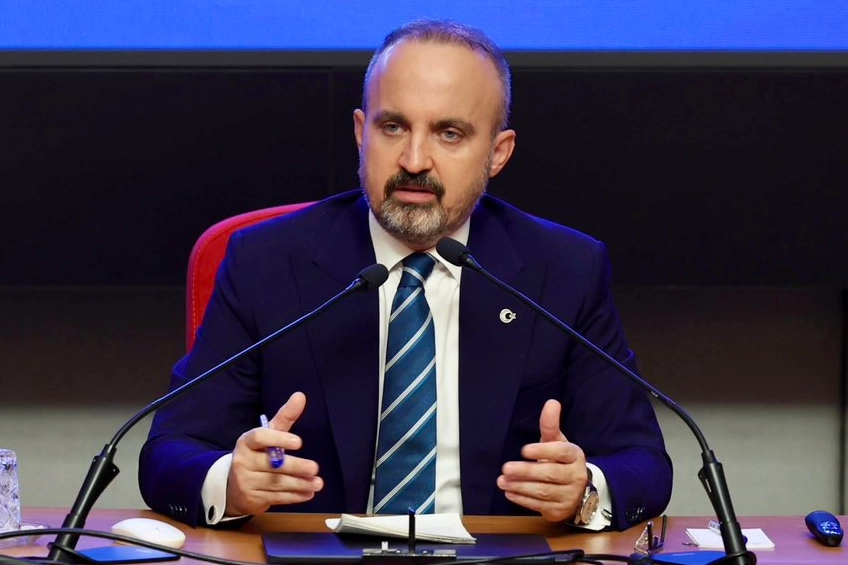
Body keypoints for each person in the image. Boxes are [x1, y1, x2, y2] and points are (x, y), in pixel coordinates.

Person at [139, 19, 672, 532]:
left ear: (497, 153)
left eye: (449, 133)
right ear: (360, 133)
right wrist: (231, 481)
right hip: (317, 553)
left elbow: (642, 461)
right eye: (392, 127)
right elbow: (170, 450)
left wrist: (583, 490)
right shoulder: (267, 261)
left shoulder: (565, 269)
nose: (415, 160)